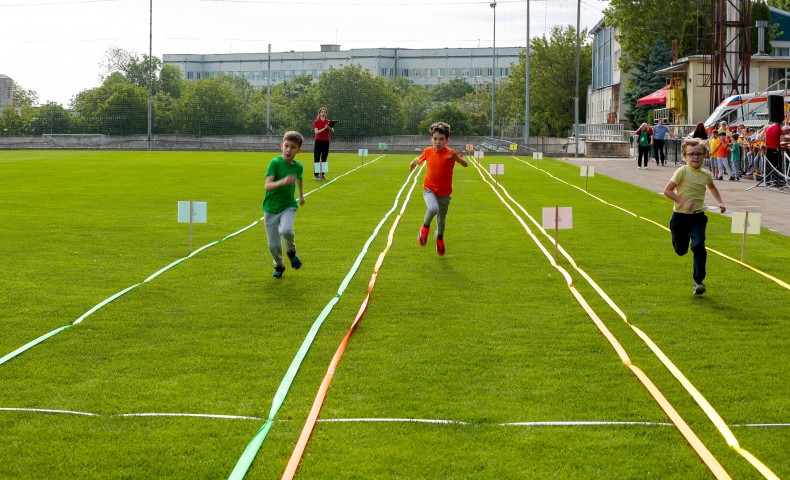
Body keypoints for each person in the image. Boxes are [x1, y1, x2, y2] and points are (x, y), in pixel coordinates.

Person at [663, 138, 726, 295]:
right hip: (679, 218)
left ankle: (698, 281)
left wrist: (720, 202)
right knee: (681, 250)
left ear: (705, 155)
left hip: (697, 217)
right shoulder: (682, 171)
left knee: (698, 246)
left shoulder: (706, 174)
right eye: (692, 154)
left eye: (699, 154)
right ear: (685, 156)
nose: (695, 157)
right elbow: (668, 191)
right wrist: (682, 202)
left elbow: (712, 187)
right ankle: (679, 241)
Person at [409, 121, 468, 256]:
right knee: (433, 208)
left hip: (445, 194)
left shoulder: (451, 153)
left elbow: (465, 164)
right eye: (435, 139)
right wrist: (413, 162)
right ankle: (425, 228)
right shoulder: (428, 151)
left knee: (441, 220)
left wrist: (456, 159)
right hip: (429, 189)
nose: (438, 142)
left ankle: (439, 237)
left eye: (441, 139)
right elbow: (419, 159)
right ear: (431, 139)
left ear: (447, 140)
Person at [263, 131, 306, 279]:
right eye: (286, 146)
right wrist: (283, 182)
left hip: (288, 205)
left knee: (287, 230)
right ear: (281, 146)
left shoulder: (298, 167)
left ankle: (291, 251)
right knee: (273, 246)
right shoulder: (275, 163)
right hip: (270, 208)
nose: (289, 150)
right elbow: (267, 186)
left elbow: (299, 179)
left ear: (298, 150)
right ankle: (279, 265)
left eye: (293, 147)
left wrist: (300, 196)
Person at [313, 106, 333, 180]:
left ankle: (323, 175)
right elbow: (316, 132)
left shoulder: (328, 121)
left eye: (324, 112)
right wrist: (324, 128)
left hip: (326, 141)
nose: (323, 113)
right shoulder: (316, 121)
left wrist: (329, 127)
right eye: (322, 112)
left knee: (324, 158)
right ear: (319, 113)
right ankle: (316, 175)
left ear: (326, 113)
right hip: (318, 141)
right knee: (317, 158)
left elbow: (332, 130)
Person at [764, 120, 782, 187]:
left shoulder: (769, 128)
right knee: (777, 165)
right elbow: (783, 138)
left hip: (769, 148)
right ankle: (776, 181)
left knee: (769, 165)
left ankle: (768, 181)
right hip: (774, 149)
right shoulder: (778, 129)